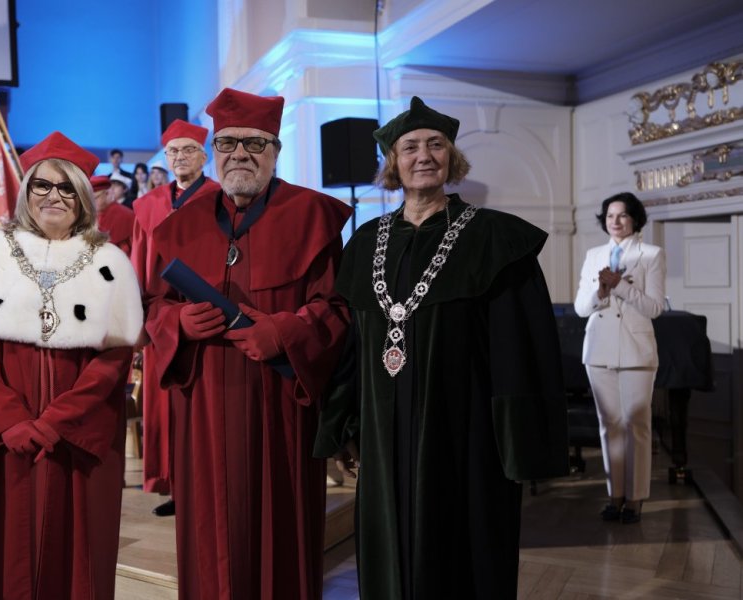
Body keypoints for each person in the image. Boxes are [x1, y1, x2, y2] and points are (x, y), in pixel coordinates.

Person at [314, 96, 569, 599]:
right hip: (383, 439)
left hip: (466, 434)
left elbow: (521, 350)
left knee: (463, 556)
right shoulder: (365, 242)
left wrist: (515, 443)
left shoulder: (493, 237)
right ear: (393, 162)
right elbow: (352, 344)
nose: (424, 155)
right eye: (410, 147)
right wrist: (343, 423)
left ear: (452, 159)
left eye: (436, 144)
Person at [144, 88, 352, 600]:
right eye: (229, 143)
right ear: (214, 151)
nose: (240, 154)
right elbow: (152, 308)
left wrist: (283, 331)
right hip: (204, 407)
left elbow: (337, 309)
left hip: (280, 403)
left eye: (255, 144)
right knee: (210, 527)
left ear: (276, 150)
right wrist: (178, 322)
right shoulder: (177, 227)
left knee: (280, 525)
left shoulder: (314, 217)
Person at [0, 131, 143, 599]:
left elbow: (113, 360)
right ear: (27, 191)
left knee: (79, 547)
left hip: (77, 437)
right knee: (3, 546)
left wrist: (56, 422)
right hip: (7, 437)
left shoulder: (109, 261)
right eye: (43, 185)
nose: (54, 196)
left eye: (67, 188)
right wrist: (11, 421)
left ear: (83, 197)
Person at [131, 118, 221, 516]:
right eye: (173, 152)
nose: (180, 157)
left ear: (204, 156)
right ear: (165, 158)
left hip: (207, 310)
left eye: (188, 150)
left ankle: (209, 484)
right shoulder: (148, 206)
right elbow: (138, 264)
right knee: (165, 406)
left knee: (206, 406)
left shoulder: (220, 196)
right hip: (162, 317)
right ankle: (176, 486)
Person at [574, 191, 665, 524]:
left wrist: (621, 287)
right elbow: (581, 308)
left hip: (636, 352)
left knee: (635, 425)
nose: (615, 221)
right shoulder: (593, 253)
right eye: (610, 215)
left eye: (622, 215)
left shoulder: (651, 255)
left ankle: (636, 499)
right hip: (597, 351)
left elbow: (654, 308)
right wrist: (600, 291)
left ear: (635, 219)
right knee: (609, 425)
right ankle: (615, 496)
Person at [91, 174, 134, 256]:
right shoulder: (92, 214)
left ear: (107, 194)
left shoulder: (124, 215)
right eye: (90, 199)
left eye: (95, 198)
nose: (92, 203)